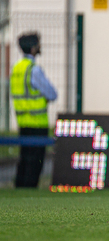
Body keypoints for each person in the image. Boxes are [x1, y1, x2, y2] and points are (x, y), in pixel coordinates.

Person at [11, 32, 57, 188]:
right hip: (37, 123)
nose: (39, 47)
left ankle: (20, 189)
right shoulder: (34, 70)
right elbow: (52, 93)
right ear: (32, 48)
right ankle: (29, 190)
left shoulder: (17, 69)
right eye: (38, 44)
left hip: (23, 122)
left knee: (24, 160)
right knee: (35, 163)